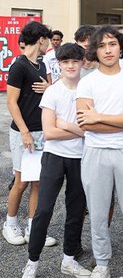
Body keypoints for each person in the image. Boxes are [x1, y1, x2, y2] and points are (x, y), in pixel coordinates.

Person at [76, 26, 123, 276]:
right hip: (95, 154)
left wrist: (100, 117)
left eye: (112, 44)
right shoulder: (87, 82)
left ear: (121, 47)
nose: (108, 50)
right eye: (102, 46)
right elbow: (85, 124)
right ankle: (102, 262)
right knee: (97, 213)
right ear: (95, 50)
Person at [23, 42, 89, 278]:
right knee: (44, 210)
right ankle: (32, 262)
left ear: (82, 62)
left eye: (74, 61)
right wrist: (78, 129)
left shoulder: (88, 89)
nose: (70, 66)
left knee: (76, 210)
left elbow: (91, 128)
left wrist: (63, 124)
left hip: (81, 157)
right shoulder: (53, 91)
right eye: (65, 62)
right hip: (54, 156)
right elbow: (49, 132)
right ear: (58, 64)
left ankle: (69, 259)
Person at [4, 20, 52, 248]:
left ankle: (33, 226)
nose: (49, 45)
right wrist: (24, 131)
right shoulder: (19, 66)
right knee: (21, 181)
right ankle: (10, 224)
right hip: (23, 133)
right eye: (48, 40)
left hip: (41, 131)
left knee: (38, 182)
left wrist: (49, 88)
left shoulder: (40, 65)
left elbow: (49, 95)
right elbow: (11, 103)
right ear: (41, 39)